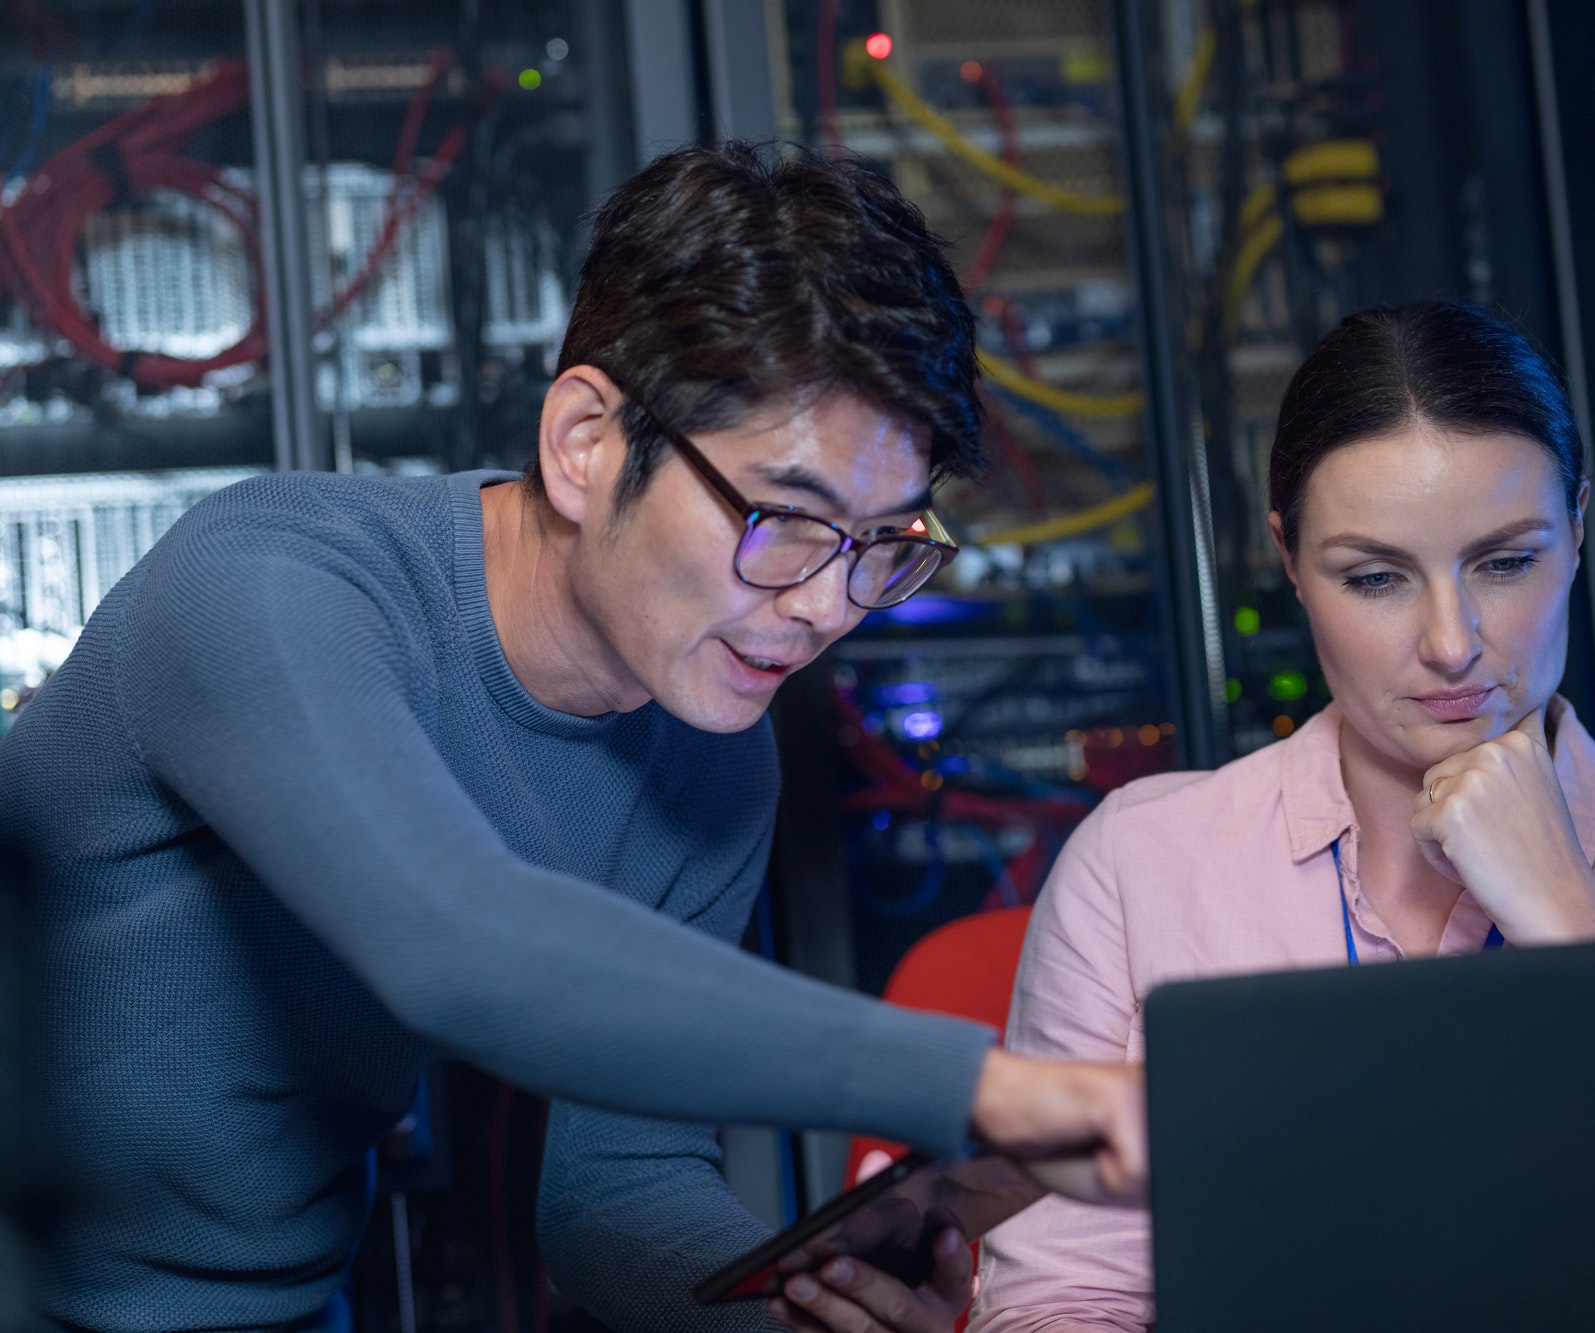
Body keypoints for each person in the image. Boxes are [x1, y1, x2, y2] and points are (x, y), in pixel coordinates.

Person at [0, 144, 1145, 1333]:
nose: (823, 606)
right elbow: (453, 939)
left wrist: (786, 1315)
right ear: (585, 443)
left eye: (880, 547)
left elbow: (617, 1188)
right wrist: (982, 1088)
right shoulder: (274, 579)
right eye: (787, 520)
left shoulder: (713, 749)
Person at [967, 302, 1595, 1332]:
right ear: (1290, 564)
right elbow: (1060, 1299)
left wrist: (1570, 923)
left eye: (1503, 561)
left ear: (1577, 531)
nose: (1451, 642)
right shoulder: (1141, 861)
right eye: (1375, 577)